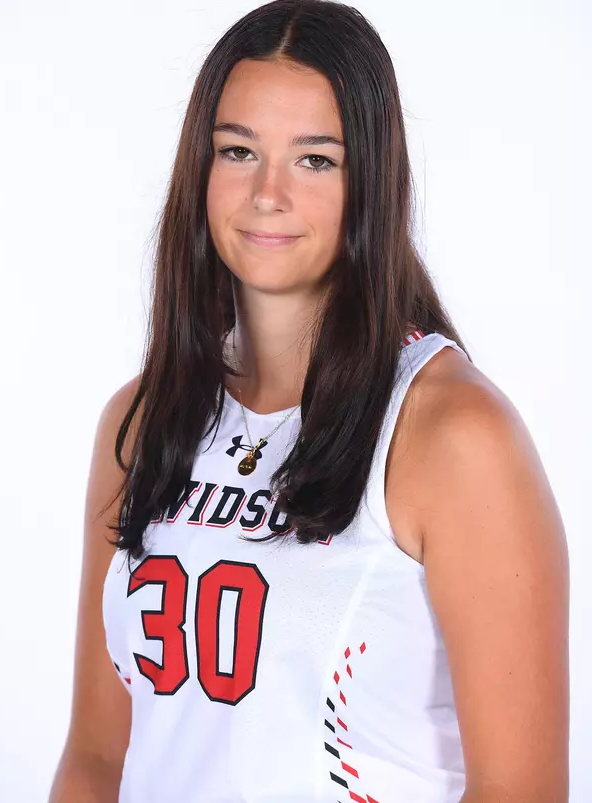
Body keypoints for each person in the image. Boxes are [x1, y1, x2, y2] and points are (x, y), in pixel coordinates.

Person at [48, 1, 569, 801]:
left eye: (314, 159)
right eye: (237, 150)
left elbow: (519, 788)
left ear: (371, 178)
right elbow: (94, 758)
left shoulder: (451, 432)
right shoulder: (141, 419)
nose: (267, 192)